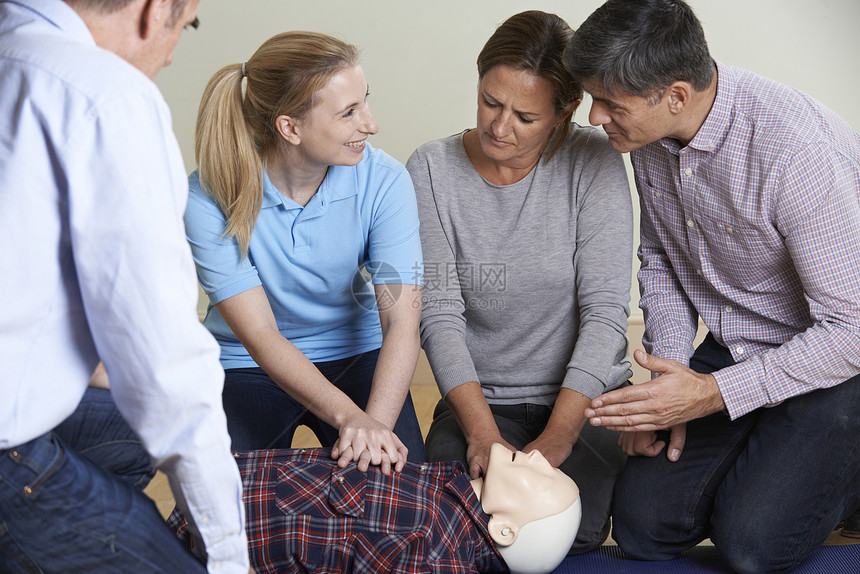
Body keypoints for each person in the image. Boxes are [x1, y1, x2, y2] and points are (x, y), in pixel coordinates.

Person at [565, 1, 860, 572]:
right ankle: (776, 451)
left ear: (675, 95)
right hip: (738, 346)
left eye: (610, 104)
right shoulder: (647, 132)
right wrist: (668, 381)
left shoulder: (795, 153)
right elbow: (662, 257)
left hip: (837, 357)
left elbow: (852, 331)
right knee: (642, 531)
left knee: (753, 548)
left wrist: (710, 396)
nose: (596, 116)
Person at [0, 0, 250, 572]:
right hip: (9, 455)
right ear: (155, 9)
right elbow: (169, 372)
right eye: (185, 27)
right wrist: (231, 558)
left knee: (130, 432)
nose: (170, 56)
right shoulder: (104, 96)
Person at [406, 10, 633, 553]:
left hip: (585, 401)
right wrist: (483, 434)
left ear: (563, 112)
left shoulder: (593, 159)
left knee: (566, 536)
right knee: (459, 528)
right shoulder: (431, 169)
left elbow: (604, 312)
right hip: (483, 400)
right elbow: (437, 312)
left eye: (525, 116)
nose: (499, 128)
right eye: (490, 102)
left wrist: (559, 438)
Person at [185, 31, 425, 472]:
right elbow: (260, 334)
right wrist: (348, 416)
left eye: (365, 102)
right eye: (349, 113)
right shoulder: (208, 197)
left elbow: (402, 321)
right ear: (290, 127)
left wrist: (374, 428)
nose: (371, 125)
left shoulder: (386, 180)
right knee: (230, 500)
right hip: (248, 361)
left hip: (357, 352)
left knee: (398, 487)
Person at [169, 443, 581, 574]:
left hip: (205, 531)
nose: (541, 458)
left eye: (545, 478)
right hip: (219, 479)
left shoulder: (437, 554)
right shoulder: (448, 488)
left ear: (504, 531)